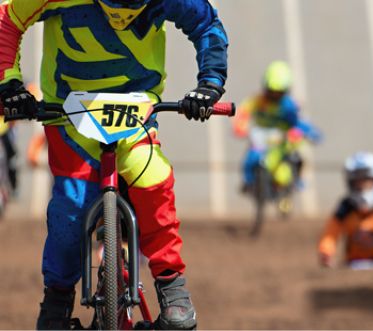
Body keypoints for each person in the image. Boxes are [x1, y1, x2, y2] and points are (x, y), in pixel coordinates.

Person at [0, 0, 228, 329]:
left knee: (154, 180)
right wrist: (9, 84)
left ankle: (172, 285)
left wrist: (210, 83)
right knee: (71, 209)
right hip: (68, 115)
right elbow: (9, 19)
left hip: (135, 114)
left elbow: (207, 25)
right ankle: (57, 300)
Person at [233, 60, 320, 193]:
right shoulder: (257, 100)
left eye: (278, 92)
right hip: (261, 139)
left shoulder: (289, 105)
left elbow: (298, 122)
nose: (274, 95)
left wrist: (310, 132)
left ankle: (297, 180)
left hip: (282, 141)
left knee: (297, 157)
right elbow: (243, 112)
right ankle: (248, 182)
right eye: (271, 91)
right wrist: (240, 126)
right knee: (249, 160)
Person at [318, 152, 373, 270]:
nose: (362, 186)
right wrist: (326, 251)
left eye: (366, 181)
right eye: (357, 182)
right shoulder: (345, 207)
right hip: (354, 262)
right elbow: (331, 233)